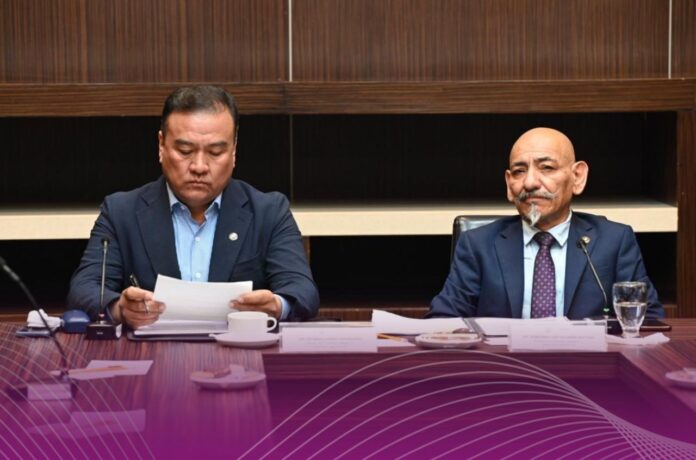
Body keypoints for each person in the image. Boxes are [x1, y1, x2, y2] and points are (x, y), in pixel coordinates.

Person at [68, 85, 319, 328]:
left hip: (241, 352)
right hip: (152, 353)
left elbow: (303, 291)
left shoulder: (269, 211)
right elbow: (84, 289)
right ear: (161, 145)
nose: (199, 166)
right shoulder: (121, 212)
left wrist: (276, 306)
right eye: (185, 150)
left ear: (233, 151)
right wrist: (120, 309)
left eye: (215, 152)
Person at [428, 127, 664, 320]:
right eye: (519, 171)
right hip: (503, 363)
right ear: (509, 185)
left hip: (586, 363)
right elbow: (443, 320)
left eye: (547, 168)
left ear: (578, 177)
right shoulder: (478, 245)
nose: (530, 182)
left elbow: (648, 320)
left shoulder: (614, 241)